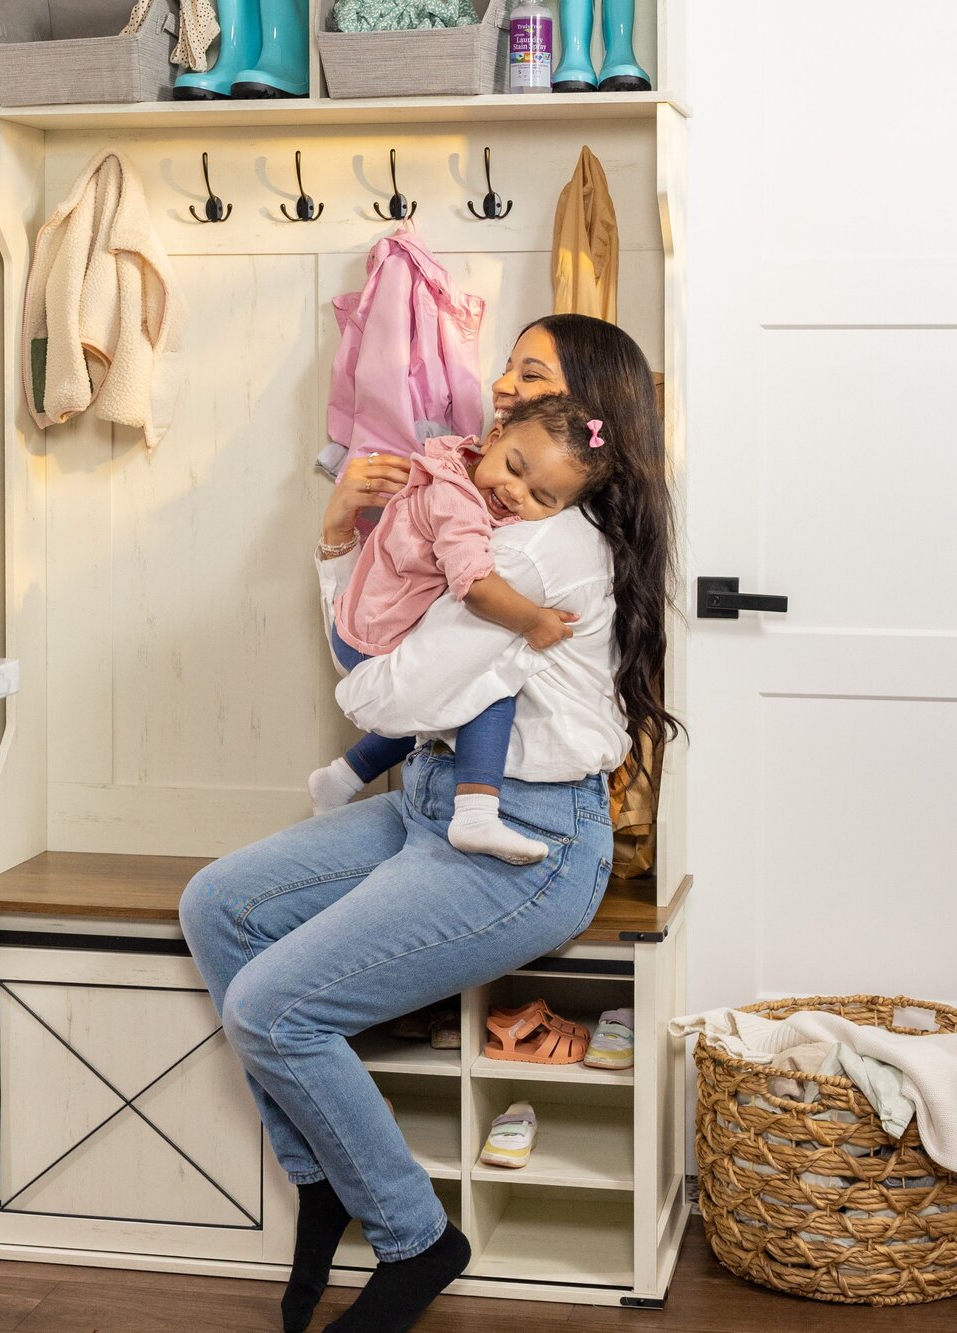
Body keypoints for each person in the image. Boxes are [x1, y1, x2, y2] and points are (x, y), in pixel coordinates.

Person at [180, 314, 680, 1333]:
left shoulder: (536, 546)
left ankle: (416, 1239)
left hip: (525, 847)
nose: (500, 385)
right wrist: (335, 537)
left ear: (582, 414)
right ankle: (321, 1174)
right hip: (432, 802)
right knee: (218, 903)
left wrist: (346, 571)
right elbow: (385, 659)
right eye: (507, 367)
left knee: (272, 1007)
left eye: (528, 373)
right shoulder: (493, 504)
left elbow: (380, 688)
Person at [311, 394, 614, 865]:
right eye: (514, 468)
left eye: (541, 498)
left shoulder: (464, 480)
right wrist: (534, 620)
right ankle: (475, 813)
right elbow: (474, 585)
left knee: (449, 696)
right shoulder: (457, 501)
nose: (516, 493)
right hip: (373, 635)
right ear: (493, 438)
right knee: (489, 688)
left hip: (366, 624)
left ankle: (341, 777)